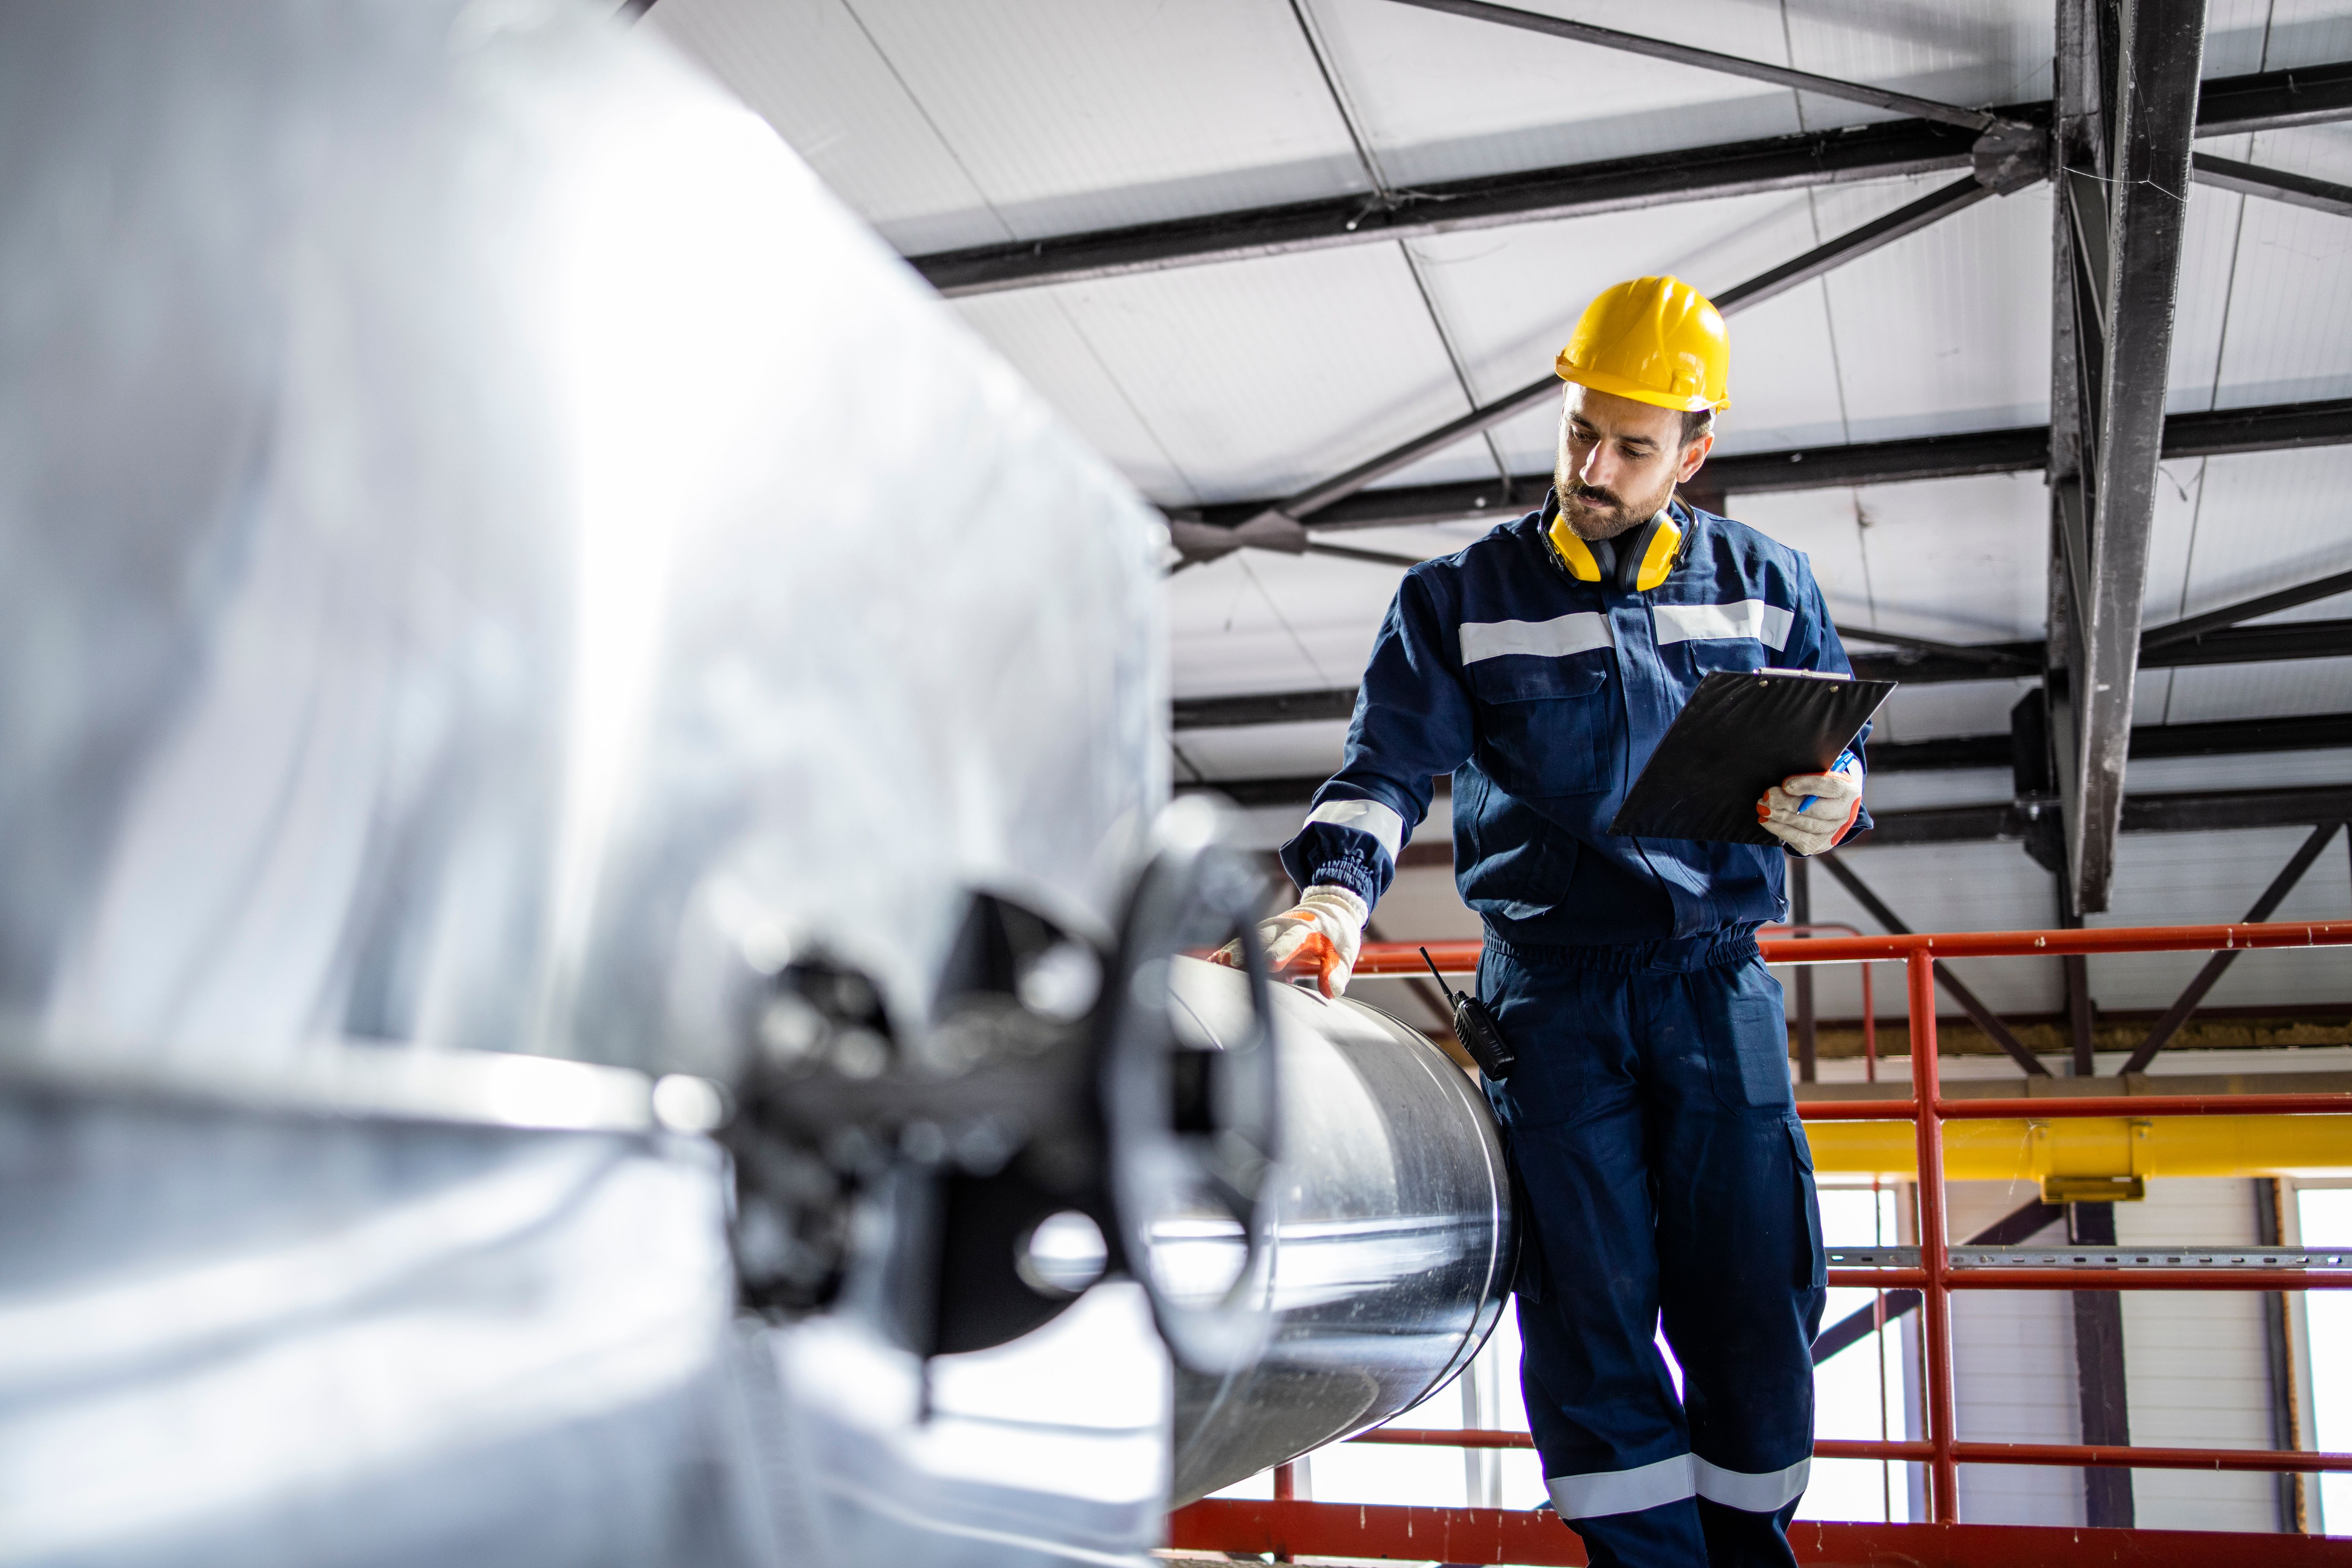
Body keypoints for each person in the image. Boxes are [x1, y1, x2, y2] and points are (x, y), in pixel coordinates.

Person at [1216, 276, 1866, 1568]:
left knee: (1757, 1292)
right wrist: (1336, 899)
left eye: (1633, 447)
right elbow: (1384, 769)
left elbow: (1830, 755)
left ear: (1696, 451)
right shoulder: (1460, 599)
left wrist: (1836, 802)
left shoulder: (1770, 583)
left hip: (1715, 985)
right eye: (1580, 432)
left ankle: (1750, 1554)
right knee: (1587, 1303)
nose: (1596, 467)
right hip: (1552, 999)